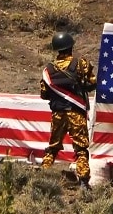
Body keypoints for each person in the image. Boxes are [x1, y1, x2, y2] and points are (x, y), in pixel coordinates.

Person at [39, 31, 97, 188]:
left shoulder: (48, 70)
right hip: (75, 112)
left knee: (53, 147)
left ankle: (43, 176)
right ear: (71, 47)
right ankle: (84, 182)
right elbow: (92, 83)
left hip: (58, 114)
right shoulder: (80, 64)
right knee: (81, 148)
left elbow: (44, 94)